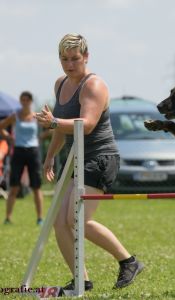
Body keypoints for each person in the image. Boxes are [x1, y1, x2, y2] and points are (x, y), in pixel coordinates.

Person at [35, 33, 144, 291]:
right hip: (74, 159)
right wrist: (50, 156)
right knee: (58, 221)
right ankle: (80, 281)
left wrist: (52, 122)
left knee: (77, 220)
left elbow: (86, 126)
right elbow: (63, 130)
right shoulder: (60, 84)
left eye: (75, 59)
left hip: (99, 158)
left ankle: (128, 261)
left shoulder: (94, 85)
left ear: (86, 57)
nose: (69, 64)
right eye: (64, 59)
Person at [0, 91, 44, 225]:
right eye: (22, 100)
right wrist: (8, 137)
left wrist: (41, 137)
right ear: (20, 101)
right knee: (14, 187)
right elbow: (1, 127)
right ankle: (8, 218)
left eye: (27, 100)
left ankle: (40, 218)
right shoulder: (15, 116)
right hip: (18, 151)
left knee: (36, 187)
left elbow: (52, 128)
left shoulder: (36, 116)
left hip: (33, 152)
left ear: (31, 102)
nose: (24, 102)